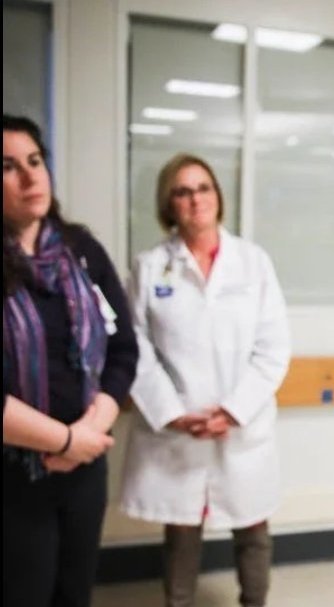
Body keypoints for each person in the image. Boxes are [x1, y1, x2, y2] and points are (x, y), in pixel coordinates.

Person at [119, 153, 291, 607]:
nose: (195, 200)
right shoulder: (150, 266)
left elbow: (273, 348)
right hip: (180, 423)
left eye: (204, 188)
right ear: (168, 204)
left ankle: (254, 602)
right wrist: (172, 413)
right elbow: (134, 347)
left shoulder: (253, 262)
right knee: (181, 528)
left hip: (241, 422)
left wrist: (235, 410)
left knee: (253, 524)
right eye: (183, 191)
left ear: (218, 197)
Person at [2, 114, 138, 607]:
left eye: (35, 161)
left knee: (74, 594)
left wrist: (89, 432)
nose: (29, 176)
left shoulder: (81, 251)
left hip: (84, 468)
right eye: (7, 166)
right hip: (14, 476)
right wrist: (63, 440)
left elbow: (124, 349)